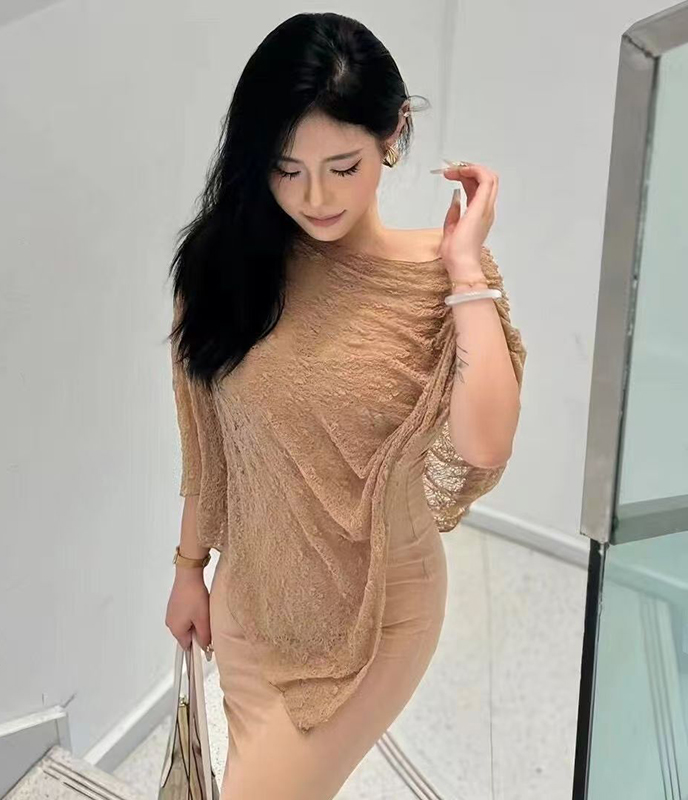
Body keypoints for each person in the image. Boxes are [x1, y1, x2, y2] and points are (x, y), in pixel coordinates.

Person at [164, 11, 527, 799]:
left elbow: (485, 444)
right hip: (254, 600)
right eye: (286, 169)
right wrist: (190, 569)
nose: (316, 197)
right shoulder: (228, 266)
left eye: (343, 165)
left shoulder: (436, 280)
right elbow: (212, 442)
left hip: (378, 614)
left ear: (392, 136)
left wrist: (466, 269)